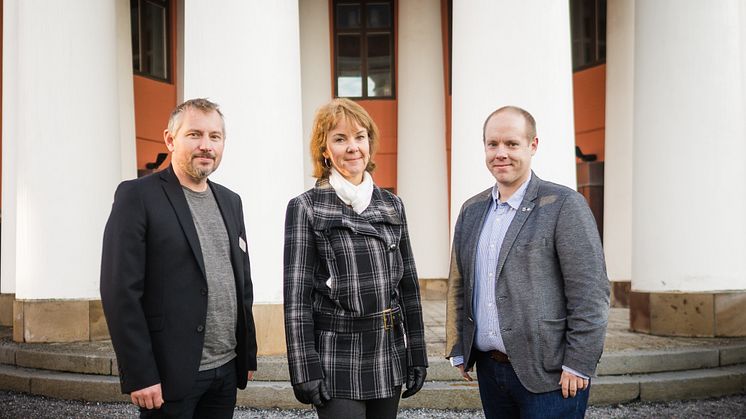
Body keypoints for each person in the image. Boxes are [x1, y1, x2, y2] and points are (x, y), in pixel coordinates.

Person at [445, 106, 610, 418]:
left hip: (551, 374)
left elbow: (590, 293)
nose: (500, 153)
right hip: (490, 371)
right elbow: (460, 284)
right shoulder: (471, 210)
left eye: (511, 144)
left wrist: (579, 363)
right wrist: (458, 346)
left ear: (533, 146)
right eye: (492, 144)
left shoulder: (564, 205)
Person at [100, 98, 257, 418]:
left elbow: (242, 280)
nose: (206, 145)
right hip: (169, 373)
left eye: (215, 137)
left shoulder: (230, 201)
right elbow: (120, 292)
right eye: (194, 134)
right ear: (170, 139)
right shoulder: (137, 196)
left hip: (225, 369)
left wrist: (247, 354)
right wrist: (140, 373)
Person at [283, 98, 428, 418]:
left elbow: (408, 287)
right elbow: (296, 299)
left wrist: (417, 353)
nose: (353, 147)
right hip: (336, 354)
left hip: (386, 351)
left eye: (360, 137)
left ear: (370, 144)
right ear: (324, 150)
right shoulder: (306, 206)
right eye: (340, 139)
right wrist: (304, 367)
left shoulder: (392, 205)